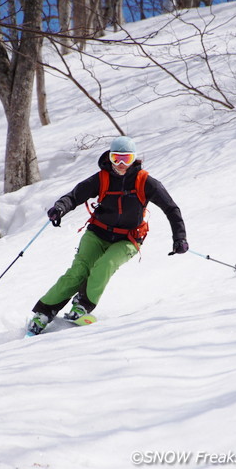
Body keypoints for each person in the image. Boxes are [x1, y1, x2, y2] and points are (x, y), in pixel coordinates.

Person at [26, 136, 188, 336]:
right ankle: (43, 312)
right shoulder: (101, 178)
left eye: (126, 159)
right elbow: (74, 196)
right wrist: (60, 208)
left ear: (134, 159)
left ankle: (82, 306)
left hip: (128, 239)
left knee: (105, 265)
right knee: (77, 272)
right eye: (116, 158)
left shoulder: (145, 182)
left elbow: (171, 209)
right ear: (109, 158)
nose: (120, 164)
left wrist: (179, 238)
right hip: (98, 233)